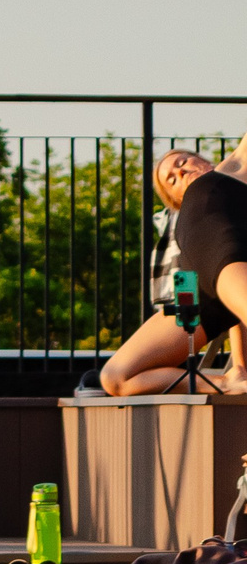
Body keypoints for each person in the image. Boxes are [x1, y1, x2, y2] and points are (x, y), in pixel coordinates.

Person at [99, 133, 247, 396]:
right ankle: (223, 383)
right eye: (171, 179)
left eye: (183, 161)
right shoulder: (182, 217)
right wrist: (238, 370)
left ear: (204, 161)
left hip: (229, 267)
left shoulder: (233, 169)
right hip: (202, 293)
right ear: (175, 200)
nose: (181, 171)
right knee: (116, 377)